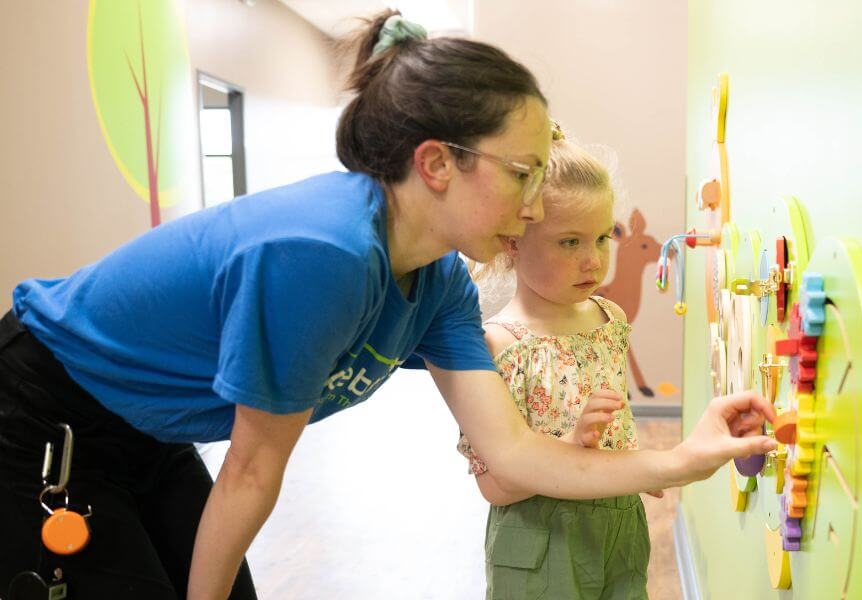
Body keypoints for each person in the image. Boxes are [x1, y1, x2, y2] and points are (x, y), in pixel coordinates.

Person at [0, 10, 776, 600]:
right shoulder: (324, 254)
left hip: (149, 434)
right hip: (42, 420)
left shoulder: (438, 280)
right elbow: (252, 469)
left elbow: (510, 453)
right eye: (524, 174)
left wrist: (684, 456)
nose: (539, 208)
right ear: (437, 163)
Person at [459, 131, 657, 599]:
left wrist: (635, 467)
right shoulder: (498, 344)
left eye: (603, 237)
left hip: (621, 525)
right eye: (570, 242)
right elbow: (494, 488)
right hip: (540, 538)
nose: (593, 260)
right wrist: (569, 445)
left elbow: (614, 424)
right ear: (512, 242)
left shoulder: (610, 319)